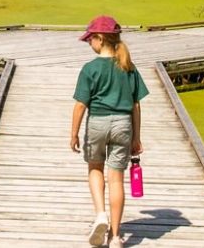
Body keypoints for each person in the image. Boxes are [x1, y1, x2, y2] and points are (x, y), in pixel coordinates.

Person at [69, 15, 147, 247]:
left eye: (89, 39)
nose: (88, 43)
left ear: (100, 39)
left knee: (95, 167)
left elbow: (81, 104)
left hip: (98, 124)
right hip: (123, 125)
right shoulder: (128, 67)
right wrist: (136, 136)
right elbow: (136, 104)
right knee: (116, 180)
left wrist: (73, 133)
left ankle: (100, 214)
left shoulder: (90, 69)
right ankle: (115, 237)